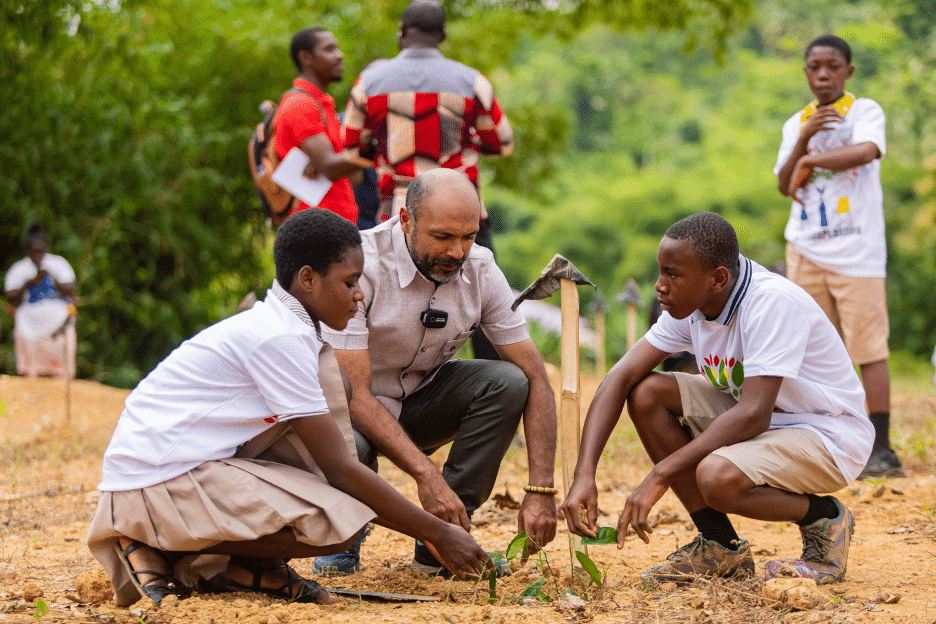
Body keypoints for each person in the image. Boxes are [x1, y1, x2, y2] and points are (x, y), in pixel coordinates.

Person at [86, 209, 492, 608]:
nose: (359, 294)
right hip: (148, 485)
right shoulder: (279, 338)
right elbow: (340, 470)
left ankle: (248, 563)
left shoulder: (287, 327)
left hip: (185, 467)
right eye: (350, 282)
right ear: (308, 279)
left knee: (336, 385)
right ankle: (155, 539)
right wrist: (438, 533)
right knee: (339, 524)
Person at [562, 212, 873, 585]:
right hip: (769, 420)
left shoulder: (770, 303)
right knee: (647, 394)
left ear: (718, 278)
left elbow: (754, 415)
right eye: (660, 272)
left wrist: (660, 474)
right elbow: (620, 377)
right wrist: (584, 474)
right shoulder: (692, 305)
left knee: (716, 477)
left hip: (827, 434)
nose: (660, 286)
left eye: (673, 275)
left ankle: (824, 516)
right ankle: (720, 546)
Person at [313, 169, 557, 577]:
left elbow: (536, 377)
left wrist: (541, 490)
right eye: (443, 237)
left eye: (469, 236)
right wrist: (427, 477)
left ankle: (442, 544)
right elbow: (353, 395)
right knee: (347, 439)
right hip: (352, 411)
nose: (457, 252)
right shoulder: (360, 265)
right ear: (406, 220)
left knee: (510, 382)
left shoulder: (481, 269)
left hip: (419, 405)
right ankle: (342, 536)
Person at [773, 35, 900, 479]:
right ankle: (824, 436)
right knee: (809, 349)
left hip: (857, 250)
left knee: (869, 348)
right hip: (806, 248)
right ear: (805, 72)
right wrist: (805, 140)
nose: (823, 75)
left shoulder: (864, 111)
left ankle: (881, 448)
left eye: (832, 66)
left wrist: (811, 162)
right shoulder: (797, 123)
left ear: (848, 71)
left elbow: (866, 151)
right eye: (814, 67)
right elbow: (784, 184)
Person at [272, 27, 361, 224]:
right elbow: (330, 167)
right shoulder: (301, 104)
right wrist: (367, 149)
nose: (339, 55)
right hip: (314, 226)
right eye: (329, 49)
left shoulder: (322, 103)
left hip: (336, 224)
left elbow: (355, 176)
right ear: (305, 58)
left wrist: (346, 158)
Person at [3, 223, 77, 379]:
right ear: (28, 251)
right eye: (34, 252)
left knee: (70, 315)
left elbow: (71, 288)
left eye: (40, 251)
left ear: (46, 248)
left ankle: (67, 368)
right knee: (22, 319)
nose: (38, 256)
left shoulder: (57, 263)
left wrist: (53, 280)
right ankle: (31, 369)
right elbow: (9, 295)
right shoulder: (20, 268)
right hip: (30, 315)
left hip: (58, 313)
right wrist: (28, 283)